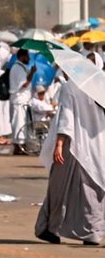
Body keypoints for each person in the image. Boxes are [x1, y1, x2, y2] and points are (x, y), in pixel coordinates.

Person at [35, 79, 104, 246]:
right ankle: (92, 231)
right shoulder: (99, 85)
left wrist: (59, 144)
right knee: (92, 189)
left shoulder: (70, 87)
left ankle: (49, 228)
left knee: (59, 188)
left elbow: (66, 117)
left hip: (73, 147)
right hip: (97, 146)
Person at [9, 48, 36, 155]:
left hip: (22, 100)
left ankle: (20, 146)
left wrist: (31, 72)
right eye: (27, 56)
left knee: (22, 124)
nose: (28, 59)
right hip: (19, 100)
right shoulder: (17, 68)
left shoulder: (21, 67)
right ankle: (19, 146)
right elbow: (24, 84)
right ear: (22, 57)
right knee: (19, 124)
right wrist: (32, 73)